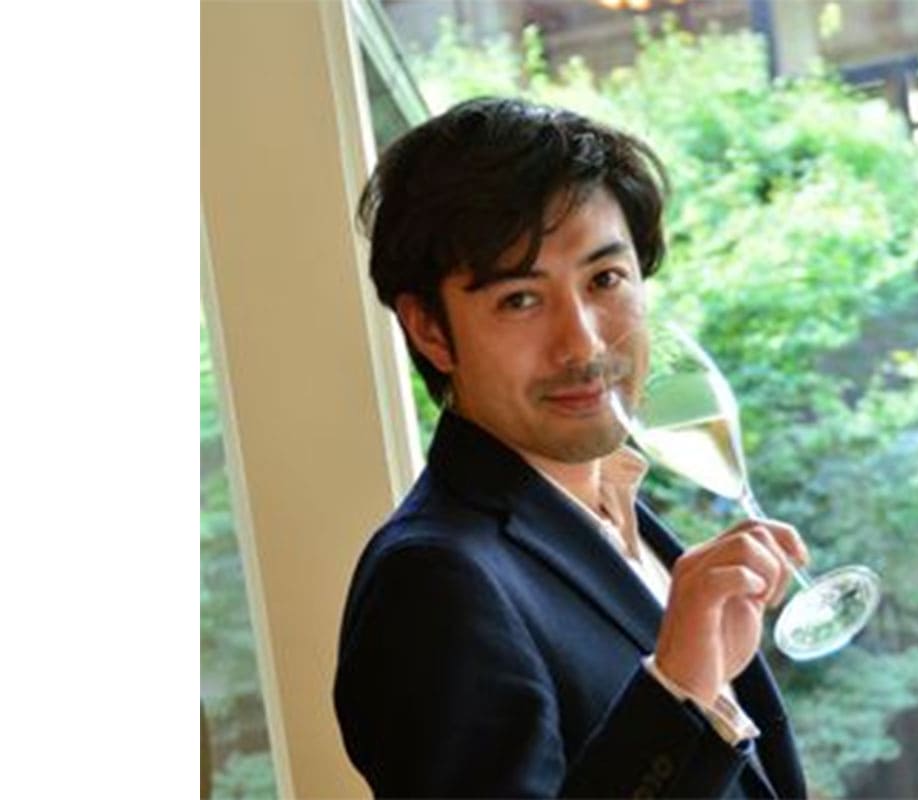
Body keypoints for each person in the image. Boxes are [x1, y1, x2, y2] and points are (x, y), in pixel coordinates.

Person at [334, 96, 810, 799]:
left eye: (604, 279)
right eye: (520, 300)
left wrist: (698, 688)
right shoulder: (429, 583)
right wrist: (677, 686)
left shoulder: (612, 510)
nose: (583, 344)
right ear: (431, 330)